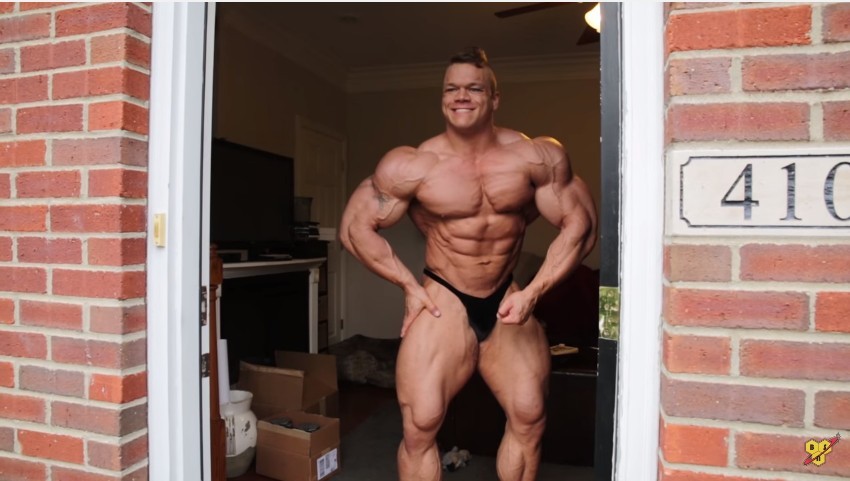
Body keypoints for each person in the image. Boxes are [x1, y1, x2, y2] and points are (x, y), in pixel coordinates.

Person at [339, 47, 597, 481]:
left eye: (474, 88)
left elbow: (581, 227)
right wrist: (408, 286)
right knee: (420, 425)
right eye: (451, 89)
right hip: (444, 297)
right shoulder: (413, 164)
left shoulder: (536, 156)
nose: (461, 96)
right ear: (442, 97)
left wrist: (533, 293)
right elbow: (354, 229)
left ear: (494, 99)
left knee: (529, 417)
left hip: (507, 296)